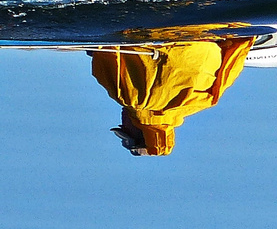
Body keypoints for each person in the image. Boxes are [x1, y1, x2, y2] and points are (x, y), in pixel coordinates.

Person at [90, 26, 257, 156]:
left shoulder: (207, 100)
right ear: (136, 129)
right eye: (124, 127)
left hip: (206, 27)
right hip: (153, 26)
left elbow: (237, 50)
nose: (121, 120)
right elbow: (104, 46)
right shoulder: (128, 98)